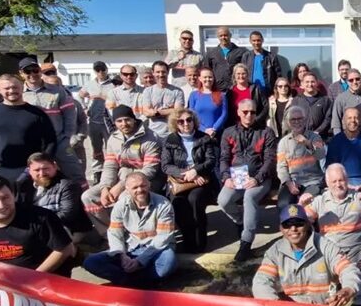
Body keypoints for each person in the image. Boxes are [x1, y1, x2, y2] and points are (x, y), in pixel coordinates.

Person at [252, 204, 361, 306]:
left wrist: (348, 288)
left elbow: (347, 268)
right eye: (287, 225)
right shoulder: (275, 252)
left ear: (307, 224)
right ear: (281, 228)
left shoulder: (325, 246)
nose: (293, 229)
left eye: (298, 223)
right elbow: (261, 281)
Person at [0, 174, 76, 275]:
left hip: (44, 283)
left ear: (13, 195)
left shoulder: (42, 218)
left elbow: (65, 249)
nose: (1, 205)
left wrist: (34, 277)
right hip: (6, 285)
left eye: (5, 198)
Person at [305, 164, 361, 306]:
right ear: (327, 183)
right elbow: (299, 226)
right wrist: (301, 206)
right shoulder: (319, 201)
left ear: (347, 179)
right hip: (329, 254)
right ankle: (318, 303)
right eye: (334, 181)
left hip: (356, 251)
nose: (338, 184)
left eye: (341, 180)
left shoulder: (360, 198)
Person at [83, 172, 178, 287]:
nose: (140, 190)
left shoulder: (164, 204)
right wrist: (122, 256)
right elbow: (114, 234)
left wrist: (139, 261)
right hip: (132, 248)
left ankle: (130, 282)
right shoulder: (120, 206)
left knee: (168, 263)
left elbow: (163, 238)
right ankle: (140, 281)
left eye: (143, 186)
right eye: (135, 187)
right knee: (91, 262)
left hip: (157, 250)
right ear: (127, 190)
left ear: (149, 185)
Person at [81, 105, 162, 236]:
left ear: (134, 119)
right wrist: (105, 187)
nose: (124, 124)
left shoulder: (150, 137)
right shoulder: (114, 138)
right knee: (88, 196)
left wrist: (122, 186)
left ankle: (132, 234)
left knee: (125, 198)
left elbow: (150, 170)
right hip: (121, 176)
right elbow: (110, 165)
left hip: (146, 180)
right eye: (119, 121)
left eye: (127, 119)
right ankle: (110, 234)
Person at [218, 98, 278, 262]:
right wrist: (225, 177)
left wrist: (257, 179)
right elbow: (223, 158)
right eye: (245, 112)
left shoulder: (266, 132)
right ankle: (241, 221)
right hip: (236, 176)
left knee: (249, 197)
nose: (249, 115)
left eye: (252, 112)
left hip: (260, 177)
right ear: (238, 112)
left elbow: (269, 160)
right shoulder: (228, 132)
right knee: (223, 200)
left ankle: (246, 243)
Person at [0, 74, 57, 182]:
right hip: (2, 169)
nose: (12, 91)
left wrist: (43, 164)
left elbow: (51, 141)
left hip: (32, 170)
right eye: (7, 88)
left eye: (15, 87)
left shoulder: (37, 113)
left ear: (22, 87)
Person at [160, 108, 219, 253]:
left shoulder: (204, 138)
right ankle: (188, 240)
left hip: (201, 181)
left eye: (189, 120)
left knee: (195, 200)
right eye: (181, 121)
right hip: (180, 181)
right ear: (176, 123)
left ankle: (199, 242)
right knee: (178, 202)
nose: (186, 124)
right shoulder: (170, 140)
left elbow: (211, 160)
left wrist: (196, 170)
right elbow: (166, 166)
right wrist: (186, 173)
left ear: (194, 121)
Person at [18, 57, 85, 182]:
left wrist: (67, 137)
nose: (32, 74)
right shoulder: (19, 94)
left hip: (60, 141)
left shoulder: (57, 91)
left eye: (35, 70)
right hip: (34, 145)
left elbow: (70, 115)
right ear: (21, 74)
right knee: (38, 177)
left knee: (75, 174)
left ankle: (80, 200)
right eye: (28, 72)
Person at [15, 153, 93, 243]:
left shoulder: (68, 185)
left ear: (55, 166)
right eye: (37, 170)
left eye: (46, 168)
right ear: (29, 171)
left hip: (68, 229)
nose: (42, 173)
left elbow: (67, 215)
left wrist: (37, 224)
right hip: (36, 227)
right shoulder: (24, 186)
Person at [275, 105, 327, 208]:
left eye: (299, 119)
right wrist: (289, 184)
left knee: (309, 204)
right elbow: (281, 167)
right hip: (293, 181)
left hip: (313, 181)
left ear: (305, 120)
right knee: (283, 204)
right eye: (293, 119)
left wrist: (308, 144)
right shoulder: (283, 142)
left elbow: (321, 155)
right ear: (288, 122)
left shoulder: (315, 137)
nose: (297, 122)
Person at [78, 61, 116, 181]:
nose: (100, 72)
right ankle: (97, 173)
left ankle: (113, 171)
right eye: (97, 70)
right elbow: (80, 95)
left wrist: (100, 97)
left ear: (106, 70)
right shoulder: (89, 84)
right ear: (95, 71)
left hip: (109, 121)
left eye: (102, 69)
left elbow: (117, 98)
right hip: (94, 120)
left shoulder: (114, 84)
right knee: (96, 149)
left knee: (111, 147)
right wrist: (84, 107)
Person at [140, 60, 186, 138]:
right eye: (158, 72)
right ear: (153, 72)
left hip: (172, 133)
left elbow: (178, 112)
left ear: (168, 72)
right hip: (153, 134)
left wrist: (157, 112)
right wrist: (170, 110)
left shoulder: (177, 91)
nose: (161, 75)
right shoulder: (148, 91)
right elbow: (147, 112)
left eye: (163, 72)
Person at [187, 67, 228, 138]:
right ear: (200, 78)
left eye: (210, 77)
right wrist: (204, 130)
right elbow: (191, 115)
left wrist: (214, 129)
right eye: (205, 77)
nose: (208, 79)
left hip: (216, 134)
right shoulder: (193, 95)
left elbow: (224, 114)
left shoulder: (221, 95)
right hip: (198, 133)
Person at [204, 25, 248, 90]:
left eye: (225, 35)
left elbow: (246, 69)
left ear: (230, 35)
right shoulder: (211, 53)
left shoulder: (241, 52)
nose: (223, 37)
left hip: (235, 87)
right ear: (218, 37)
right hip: (217, 88)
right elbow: (207, 71)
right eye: (221, 36)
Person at [292, 72, 333, 137]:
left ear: (317, 83)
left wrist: (318, 131)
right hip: (301, 137)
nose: (310, 84)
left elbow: (328, 118)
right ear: (302, 84)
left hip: (320, 137)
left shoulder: (325, 100)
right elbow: (292, 118)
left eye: (312, 82)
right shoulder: (296, 100)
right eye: (307, 82)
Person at [227, 63, 268, 128]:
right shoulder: (230, 91)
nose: (241, 76)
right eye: (238, 74)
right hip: (236, 127)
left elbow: (266, 107)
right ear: (234, 75)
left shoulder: (256, 89)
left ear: (247, 75)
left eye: (243, 73)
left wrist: (256, 120)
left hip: (254, 126)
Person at [331, 68, 361, 134]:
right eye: (351, 80)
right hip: (347, 137)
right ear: (347, 82)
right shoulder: (341, 98)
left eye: (357, 79)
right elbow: (336, 123)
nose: (354, 82)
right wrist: (339, 139)